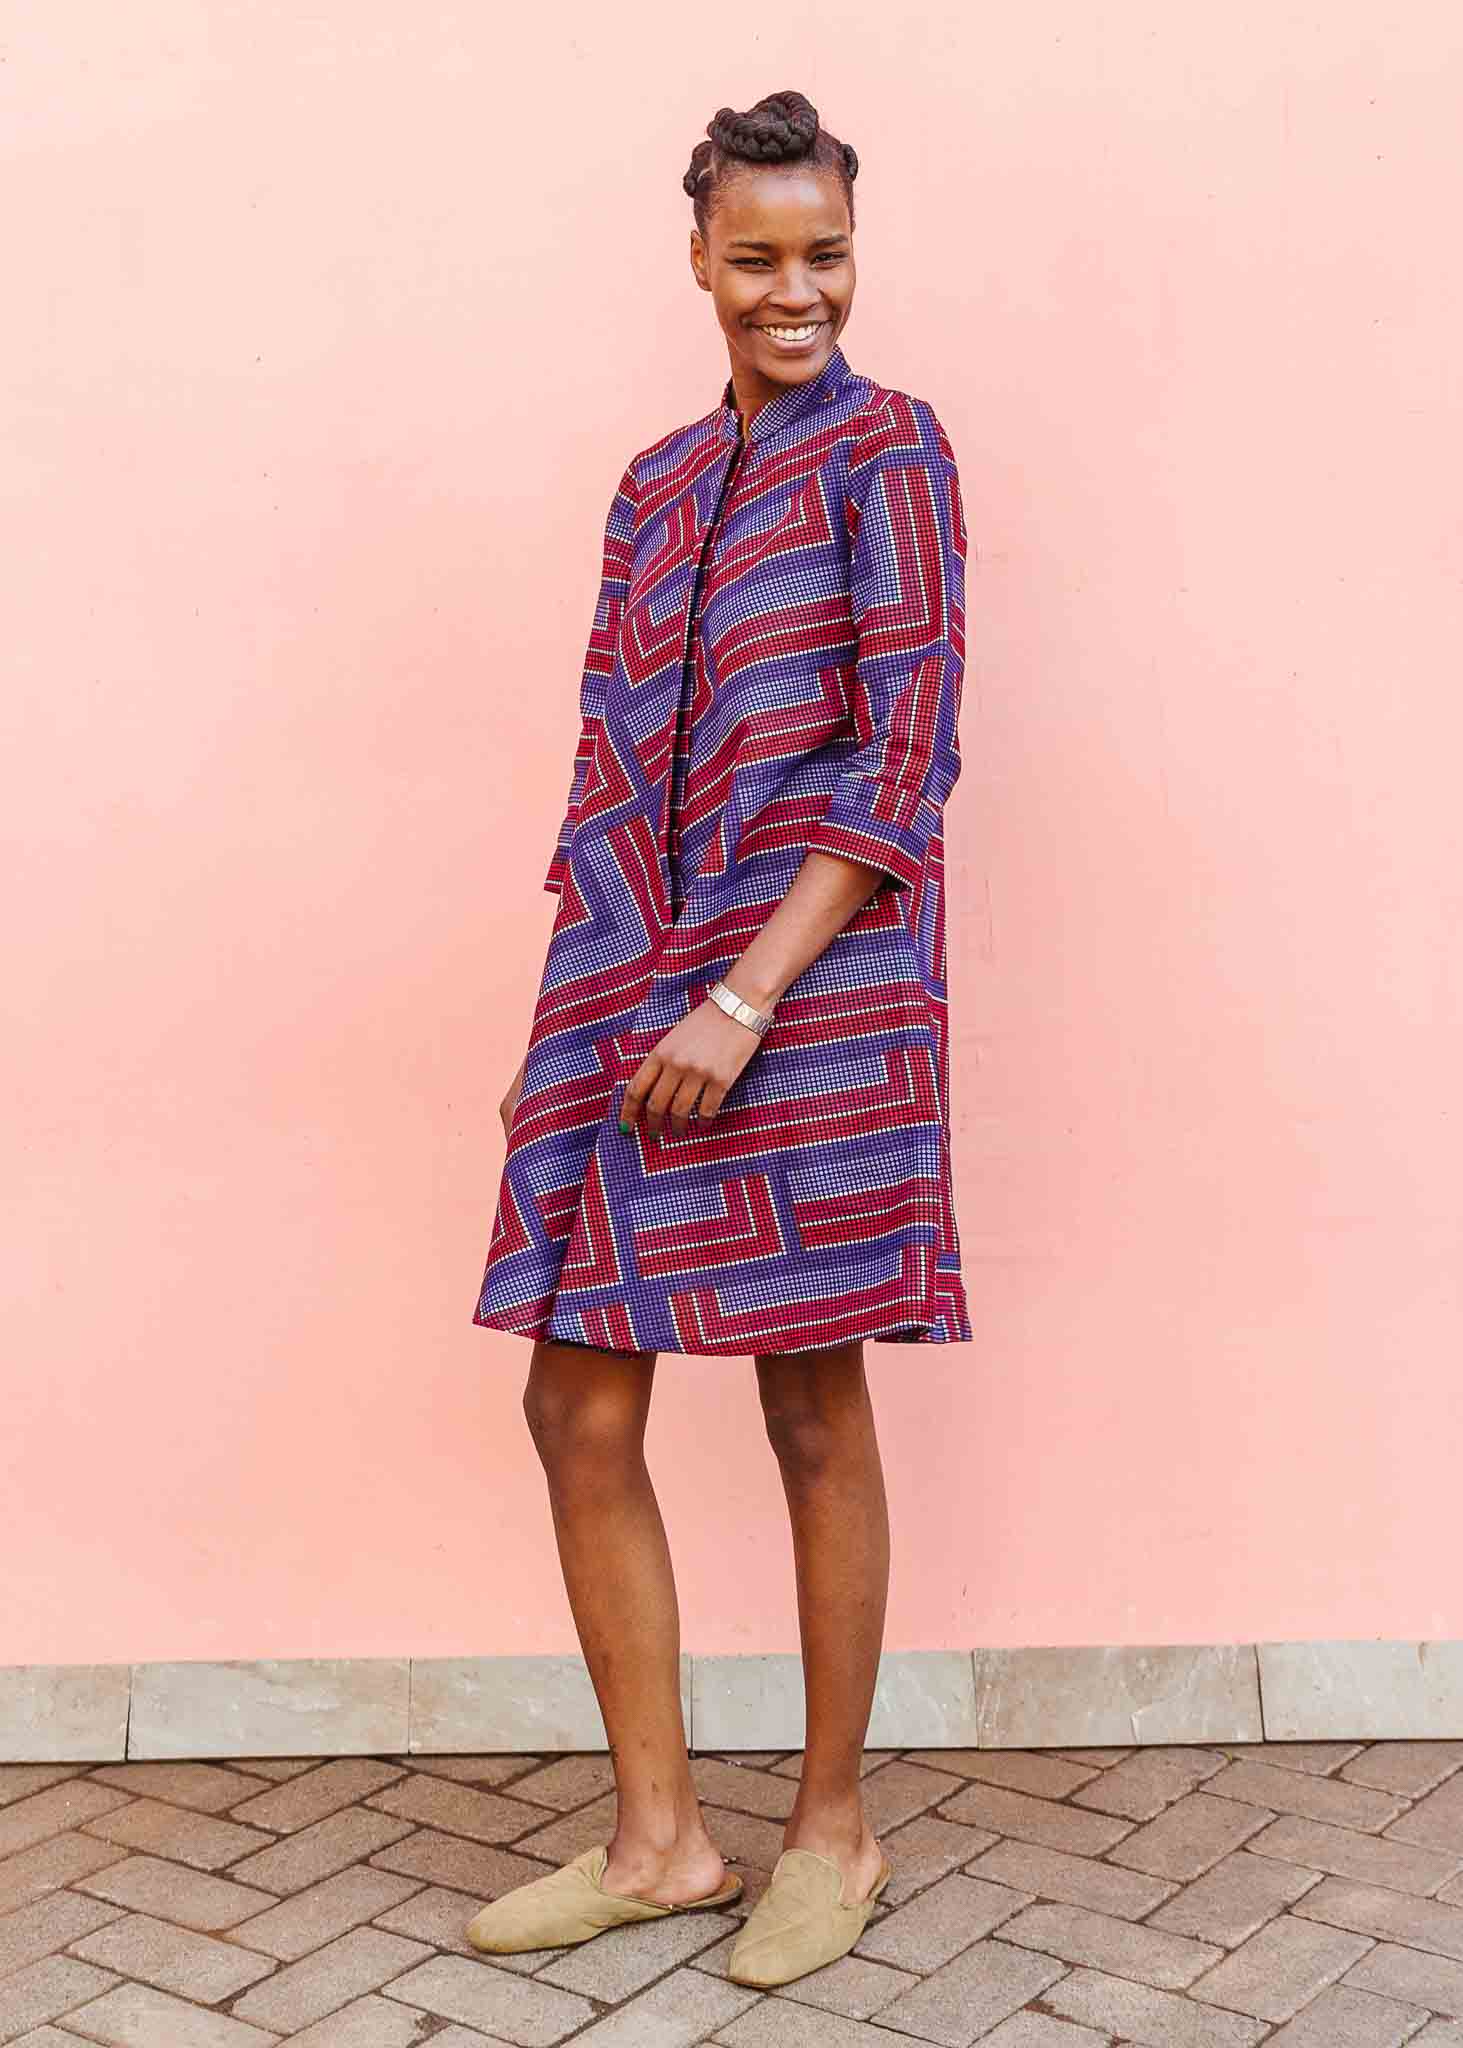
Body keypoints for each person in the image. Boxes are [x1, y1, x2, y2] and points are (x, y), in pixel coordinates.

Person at [467, 87, 971, 1989]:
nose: (794, 291)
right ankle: (660, 1837)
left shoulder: (895, 458)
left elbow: (900, 761)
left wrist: (748, 992)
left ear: (857, 252)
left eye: (823, 254)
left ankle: (833, 1825)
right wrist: (577, 1013)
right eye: (756, 257)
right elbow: (611, 761)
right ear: (697, 260)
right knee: (574, 1397)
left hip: (817, 995)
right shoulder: (654, 485)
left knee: (808, 1397)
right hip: (632, 982)